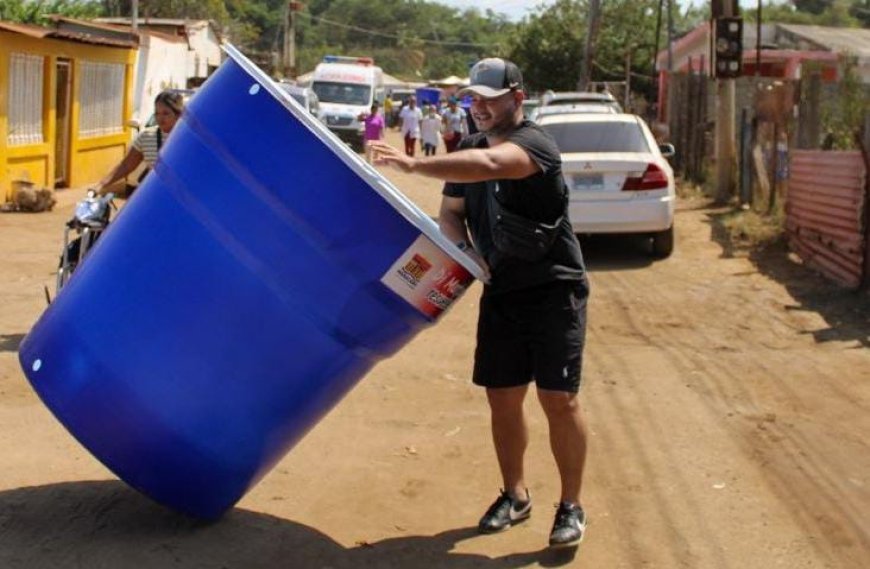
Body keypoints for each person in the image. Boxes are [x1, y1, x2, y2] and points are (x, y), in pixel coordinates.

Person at [370, 58, 589, 549]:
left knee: (559, 399)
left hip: (555, 288)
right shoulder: (467, 146)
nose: (481, 107)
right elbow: (451, 214)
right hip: (503, 291)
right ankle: (515, 494)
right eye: (475, 98)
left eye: (492, 97)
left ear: (518, 97)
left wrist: (412, 163)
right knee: (503, 397)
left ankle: (571, 505)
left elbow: (492, 166)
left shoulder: (535, 144)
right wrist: (467, 254)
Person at [92, 90, 184, 196]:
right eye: (157, 113)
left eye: (166, 113)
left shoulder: (190, 138)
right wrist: (101, 185)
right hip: (154, 195)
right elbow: (126, 165)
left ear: (178, 114)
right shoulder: (146, 136)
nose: (160, 118)